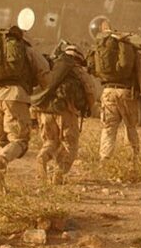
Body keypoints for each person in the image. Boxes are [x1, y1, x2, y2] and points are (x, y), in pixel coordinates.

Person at [0, 25, 49, 193]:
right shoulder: (25, 48)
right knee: (19, 141)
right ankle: (1, 161)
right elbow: (44, 72)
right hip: (15, 96)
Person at [87, 27, 141, 166]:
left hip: (108, 91)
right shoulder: (133, 50)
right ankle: (134, 158)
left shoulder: (103, 49)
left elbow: (93, 69)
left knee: (108, 128)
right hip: (127, 93)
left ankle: (104, 159)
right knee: (130, 126)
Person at [31, 43, 95, 184]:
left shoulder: (52, 67)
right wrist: (87, 108)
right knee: (70, 144)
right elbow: (90, 92)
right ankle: (59, 173)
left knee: (50, 141)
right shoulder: (78, 70)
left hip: (45, 112)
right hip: (67, 111)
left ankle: (42, 157)